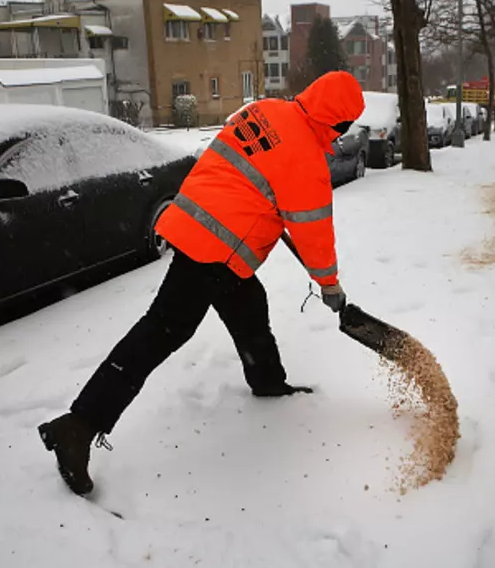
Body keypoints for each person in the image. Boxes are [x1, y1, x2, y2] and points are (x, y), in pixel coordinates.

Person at [38, 70, 366, 495]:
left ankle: (266, 379)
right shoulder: (306, 156)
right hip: (216, 248)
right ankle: (78, 425)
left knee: (248, 304)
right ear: (337, 121)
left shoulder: (265, 111)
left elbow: (242, 171)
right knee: (161, 331)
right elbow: (313, 229)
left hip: (192, 224)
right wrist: (329, 285)